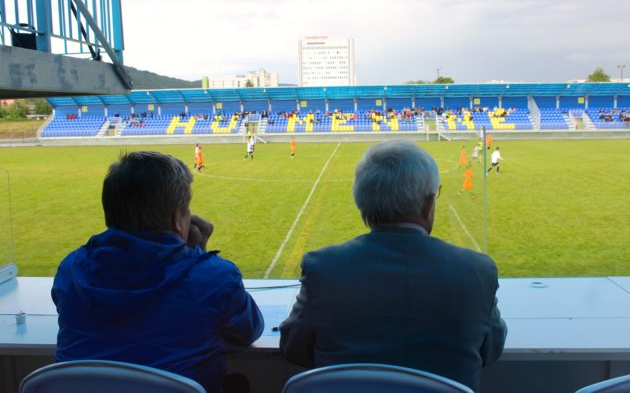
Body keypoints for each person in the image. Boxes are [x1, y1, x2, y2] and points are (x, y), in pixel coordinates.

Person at [280, 140, 506, 392]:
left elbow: (294, 348)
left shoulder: (323, 268)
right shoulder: (477, 271)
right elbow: (491, 349)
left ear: (361, 203)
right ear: (428, 203)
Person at [52, 151, 264, 392]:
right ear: (177, 219)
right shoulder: (214, 277)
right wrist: (199, 256)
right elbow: (246, 333)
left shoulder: (71, 270)